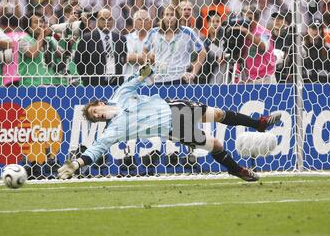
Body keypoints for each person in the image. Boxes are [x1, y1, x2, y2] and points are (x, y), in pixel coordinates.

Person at [57, 62, 282, 182]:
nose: (97, 115)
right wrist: (75, 165)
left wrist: (152, 66)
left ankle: (258, 124)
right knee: (216, 145)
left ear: (99, 103)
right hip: (173, 128)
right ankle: (237, 170)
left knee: (219, 114)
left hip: (174, 106)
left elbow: (137, 77)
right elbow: (96, 150)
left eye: (95, 111)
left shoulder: (120, 94)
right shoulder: (113, 131)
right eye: (95, 117)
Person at [143, 5, 206, 84]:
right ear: (162, 17)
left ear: (177, 17)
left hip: (181, 79)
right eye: (167, 15)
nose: (169, 17)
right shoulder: (153, 33)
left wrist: (193, 73)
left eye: (172, 15)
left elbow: (202, 52)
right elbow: (144, 50)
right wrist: (148, 68)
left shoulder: (187, 32)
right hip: (160, 79)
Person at [75, 8, 127, 86]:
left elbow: (123, 60)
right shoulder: (87, 39)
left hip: (116, 84)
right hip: (94, 85)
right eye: (103, 19)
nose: (106, 22)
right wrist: (87, 78)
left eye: (109, 19)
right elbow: (79, 62)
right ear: (97, 21)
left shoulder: (120, 39)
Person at [124, 9, 152, 79]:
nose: (142, 22)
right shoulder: (125, 39)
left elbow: (154, 58)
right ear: (134, 22)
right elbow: (124, 58)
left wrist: (133, 57)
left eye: (145, 20)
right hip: (129, 80)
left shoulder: (154, 39)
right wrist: (145, 57)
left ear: (150, 23)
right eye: (139, 19)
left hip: (149, 81)